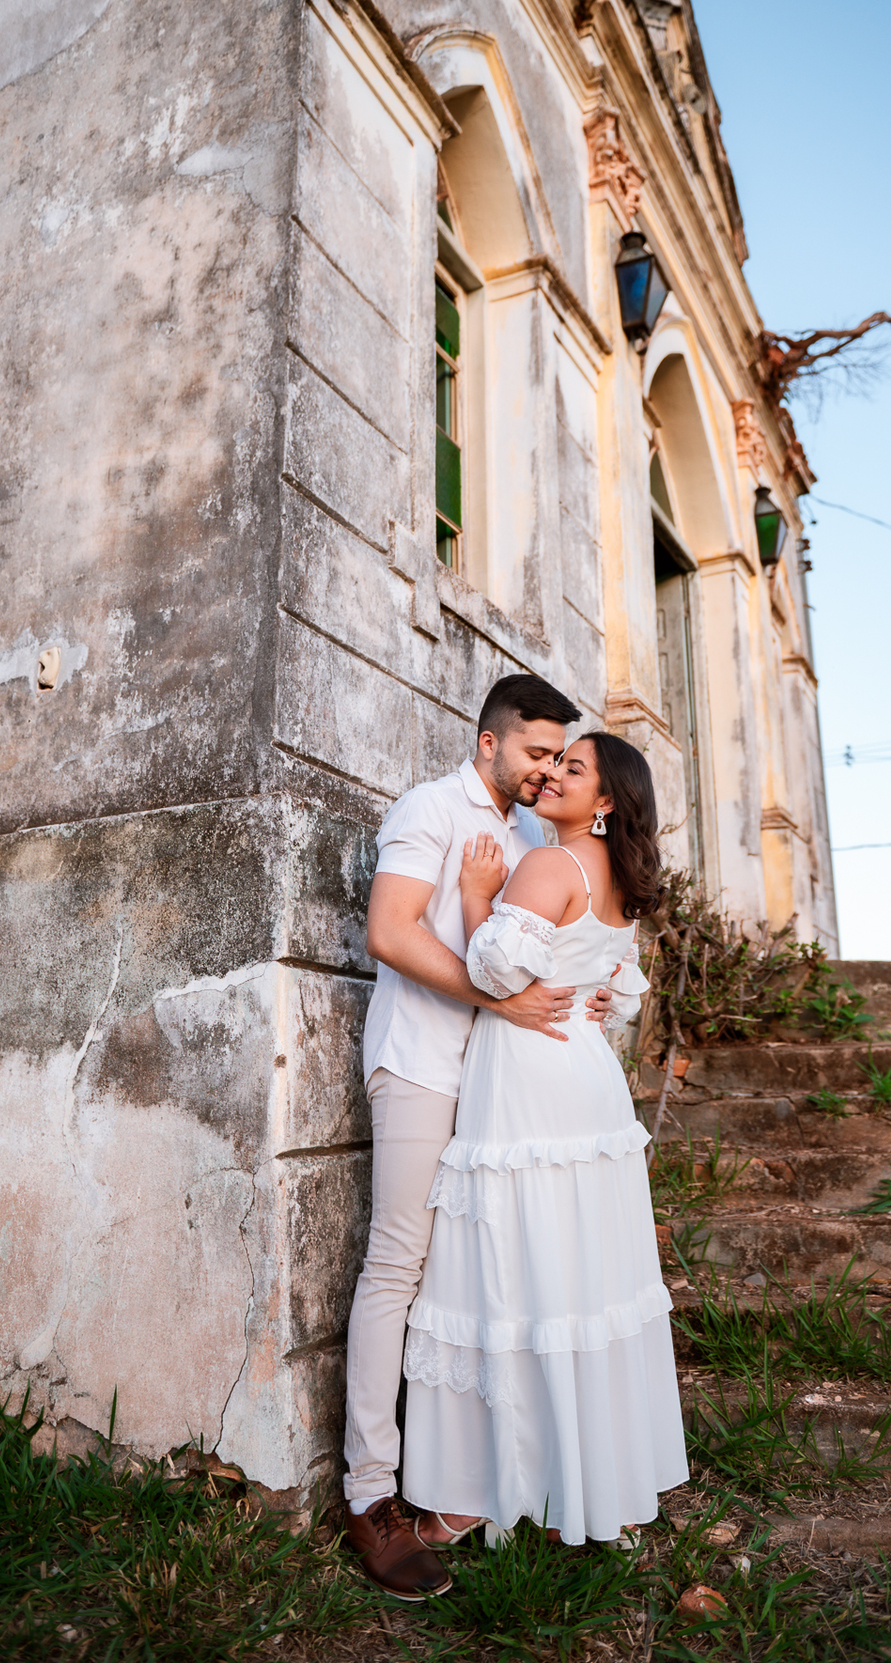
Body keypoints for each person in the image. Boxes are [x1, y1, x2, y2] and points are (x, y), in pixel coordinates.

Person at [342, 676, 617, 1598]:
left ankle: (471, 1476)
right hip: (424, 1066)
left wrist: (593, 987)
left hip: (506, 1097)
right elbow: (389, 929)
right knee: (399, 1268)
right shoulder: (432, 806)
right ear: (491, 744)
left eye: (559, 759)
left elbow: (550, 948)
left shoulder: (542, 840)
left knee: (485, 1281)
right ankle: (371, 1495)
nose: (546, 772)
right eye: (537, 754)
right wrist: (494, 991)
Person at [399, 732, 689, 1548]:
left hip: (528, 1076)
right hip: (587, 1080)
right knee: (585, 1271)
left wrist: (474, 894)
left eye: (574, 768)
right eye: (554, 761)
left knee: (512, 1262)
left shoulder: (549, 865)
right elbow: (621, 996)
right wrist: (591, 994)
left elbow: (495, 973)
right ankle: (606, 1483)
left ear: (604, 803)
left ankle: (475, 1494)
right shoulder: (618, 886)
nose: (553, 773)